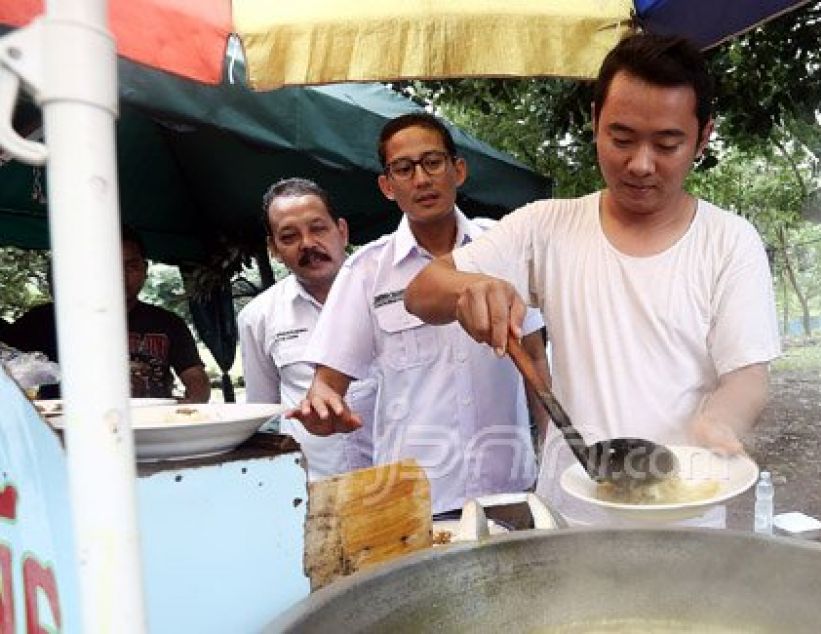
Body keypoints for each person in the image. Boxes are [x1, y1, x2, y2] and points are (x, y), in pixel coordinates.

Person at [403, 34, 781, 527]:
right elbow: (422, 291)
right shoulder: (546, 226)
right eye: (621, 138)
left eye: (667, 143)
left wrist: (720, 421)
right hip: (571, 517)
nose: (640, 164)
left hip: (687, 516)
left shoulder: (729, 241)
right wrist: (467, 289)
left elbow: (748, 376)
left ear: (703, 137)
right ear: (594, 121)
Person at [290, 113, 549, 515]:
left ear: (457, 170)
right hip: (415, 501)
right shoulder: (367, 272)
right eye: (404, 169)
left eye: (432, 162)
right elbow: (327, 384)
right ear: (387, 185)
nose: (422, 179)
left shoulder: (504, 248)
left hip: (509, 490)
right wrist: (322, 408)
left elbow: (534, 360)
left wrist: (553, 461)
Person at [237, 178, 376, 480]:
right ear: (273, 249)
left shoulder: (389, 298)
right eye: (289, 236)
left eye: (318, 228)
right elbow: (264, 415)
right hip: (314, 490)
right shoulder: (258, 317)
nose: (308, 244)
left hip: (400, 480)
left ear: (342, 231)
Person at [7, 227, 209, 402]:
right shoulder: (48, 319)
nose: (122, 275)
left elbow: (196, 380)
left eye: (131, 266)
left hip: (151, 429)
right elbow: (6, 358)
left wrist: (188, 406)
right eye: (111, 266)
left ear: (144, 269)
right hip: (69, 434)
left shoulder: (168, 323)